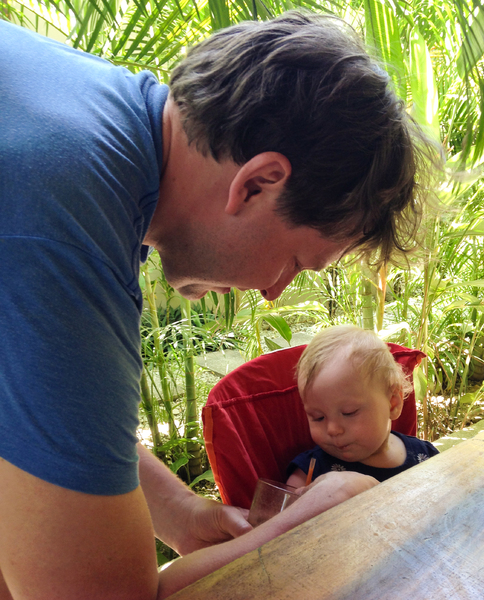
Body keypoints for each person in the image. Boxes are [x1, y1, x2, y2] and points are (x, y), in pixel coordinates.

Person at [0, 9, 437, 600]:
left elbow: (38, 420)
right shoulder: (63, 218)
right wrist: (300, 522)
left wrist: (181, 512)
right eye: (295, 262)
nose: (275, 291)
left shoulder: (96, 125)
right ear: (256, 183)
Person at [286, 325, 439, 489]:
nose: (332, 430)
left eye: (348, 413)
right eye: (318, 417)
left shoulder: (425, 456)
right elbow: (287, 505)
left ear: (393, 403)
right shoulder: (308, 475)